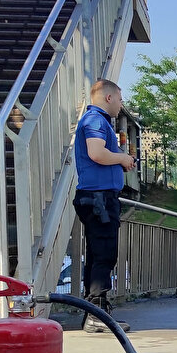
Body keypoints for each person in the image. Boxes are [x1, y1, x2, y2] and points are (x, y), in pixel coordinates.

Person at [72, 79, 135, 333]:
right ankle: (98, 313)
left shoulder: (96, 121)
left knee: (98, 253)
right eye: (120, 99)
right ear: (108, 98)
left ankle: (94, 313)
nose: (121, 105)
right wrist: (122, 158)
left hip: (97, 196)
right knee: (105, 253)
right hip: (99, 198)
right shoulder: (95, 120)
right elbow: (96, 153)